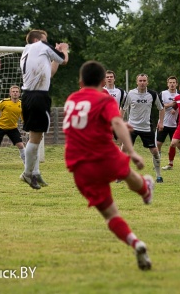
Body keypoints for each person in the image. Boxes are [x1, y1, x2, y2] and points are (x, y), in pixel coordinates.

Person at [63, 60, 153, 271]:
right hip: (104, 155)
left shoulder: (71, 99)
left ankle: (136, 242)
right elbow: (114, 123)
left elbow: (86, 122)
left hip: (79, 165)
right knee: (129, 174)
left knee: (111, 215)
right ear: (104, 81)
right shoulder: (104, 98)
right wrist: (131, 151)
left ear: (80, 80)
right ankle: (145, 190)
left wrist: (119, 124)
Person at [19, 29, 69, 189]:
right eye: (45, 39)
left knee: (36, 136)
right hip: (38, 97)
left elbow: (51, 72)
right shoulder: (40, 45)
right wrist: (64, 50)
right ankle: (27, 173)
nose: (46, 42)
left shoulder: (27, 51)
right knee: (35, 138)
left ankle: (34, 172)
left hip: (27, 96)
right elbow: (64, 60)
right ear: (36, 40)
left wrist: (55, 55)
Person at [122, 73, 165, 182]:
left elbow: (161, 108)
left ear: (147, 82)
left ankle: (159, 175)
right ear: (137, 82)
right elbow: (123, 108)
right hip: (132, 127)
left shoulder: (153, 94)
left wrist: (161, 122)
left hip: (146, 127)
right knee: (123, 149)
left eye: (144, 81)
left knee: (155, 151)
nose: (142, 83)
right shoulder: (130, 94)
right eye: (140, 81)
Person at [157, 76, 180, 170]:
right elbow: (160, 106)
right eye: (170, 82)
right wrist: (172, 104)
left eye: (174, 82)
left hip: (175, 125)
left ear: (177, 84)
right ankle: (157, 164)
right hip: (163, 124)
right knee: (158, 144)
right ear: (167, 84)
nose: (172, 84)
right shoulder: (163, 93)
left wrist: (176, 107)